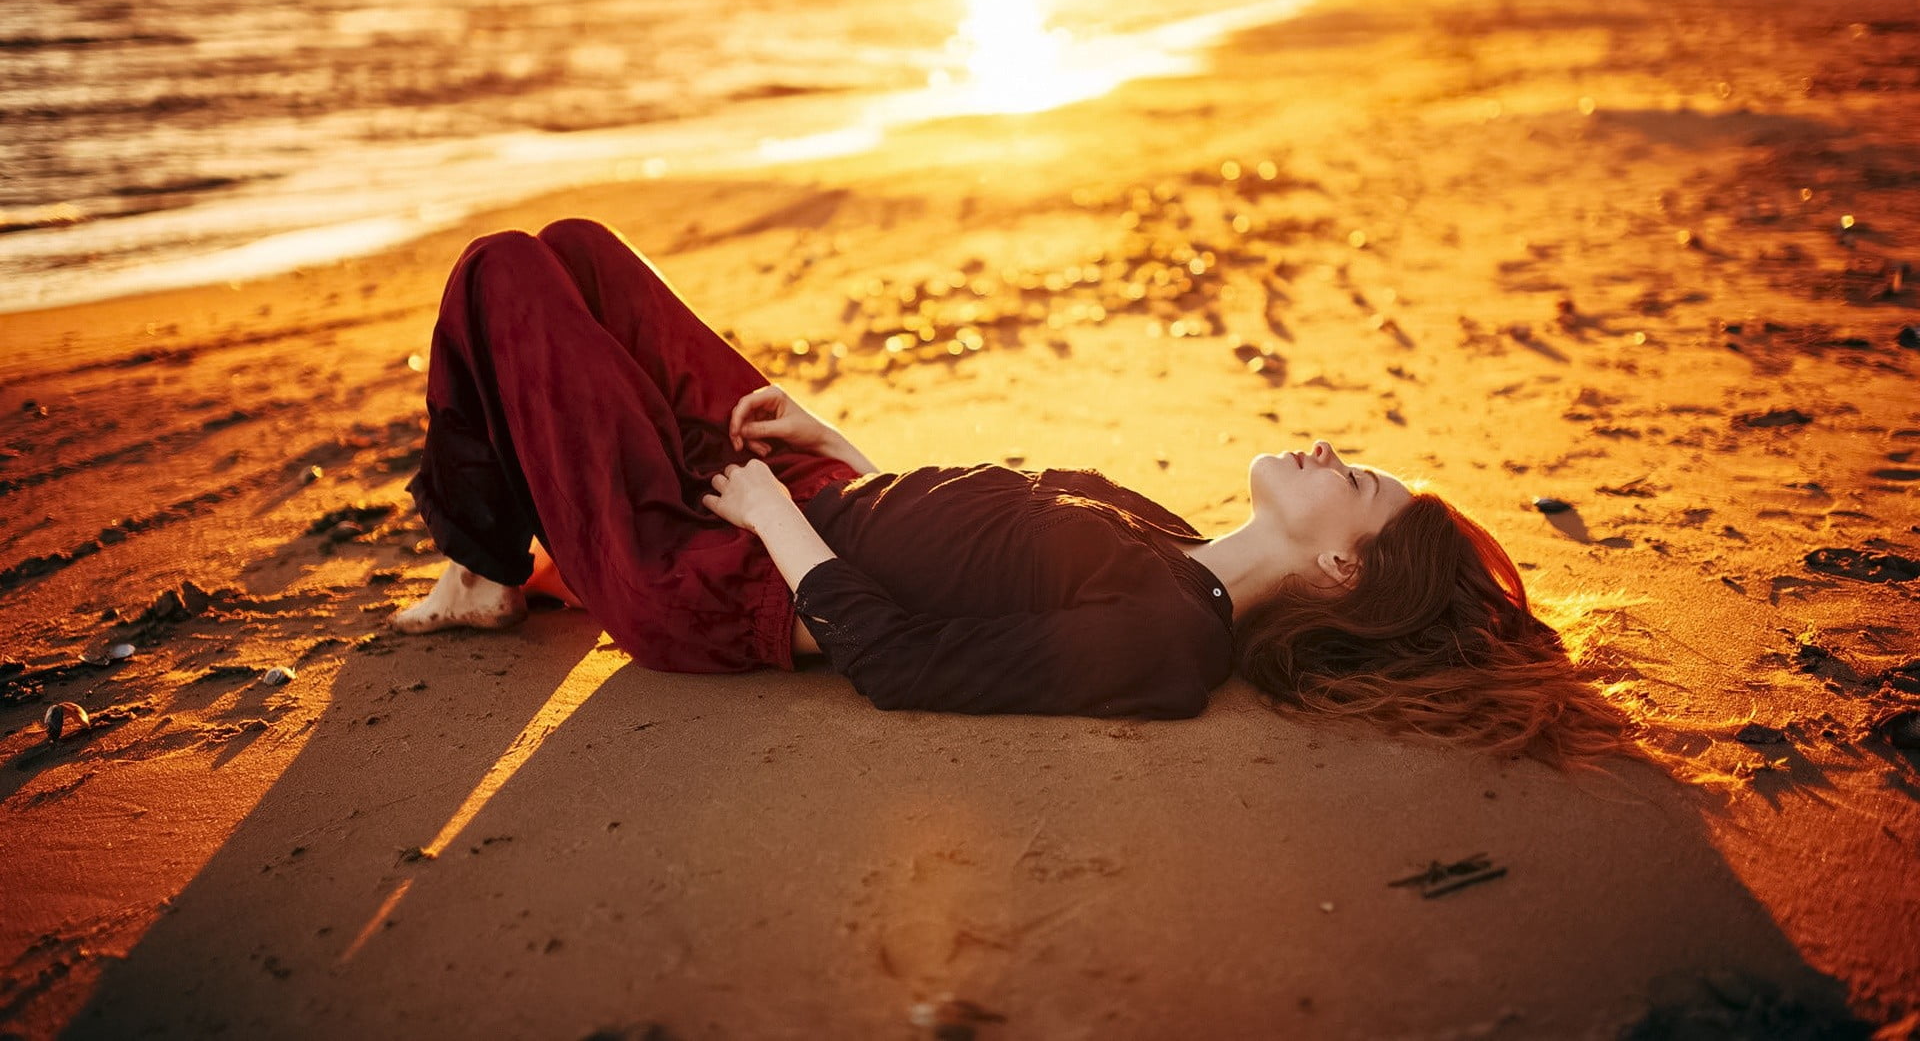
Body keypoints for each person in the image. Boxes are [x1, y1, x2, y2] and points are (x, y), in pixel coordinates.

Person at [397, 218, 1651, 773]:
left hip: (722, 585)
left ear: (1341, 574)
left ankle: (485, 570)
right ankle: (524, 540)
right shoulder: (1170, 545)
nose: (1329, 448)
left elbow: (902, 660)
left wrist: (774, 522)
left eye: (1358, 482)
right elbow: (968, 546)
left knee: (506, 275)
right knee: (579, 254)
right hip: (815, 501)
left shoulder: (1170, 644)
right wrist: (838, 449)